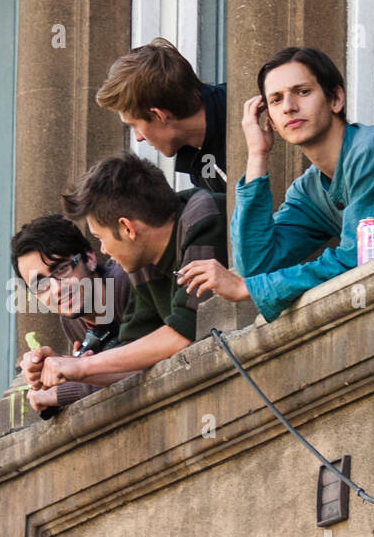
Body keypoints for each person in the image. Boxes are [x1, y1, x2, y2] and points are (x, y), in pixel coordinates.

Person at [177, 46, 374, 322]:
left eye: (302, 92)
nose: (289, 107)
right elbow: (257, 264)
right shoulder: (309, 190)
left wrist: (246, 288)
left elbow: (359, 259)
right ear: (272, 123)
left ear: (336, 99)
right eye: (275, 100)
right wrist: (256, 155)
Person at [32, 152, 227, 391]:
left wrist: (83, 367)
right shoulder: (142, 262)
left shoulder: (203, 219)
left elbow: (188, 330)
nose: (103, 249)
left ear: (127, 228)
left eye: (99, 237)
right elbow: (134, 358)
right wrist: (67, 370)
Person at [11, 214, 157, 414]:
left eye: (61, 269)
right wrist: (50, 372)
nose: (56, 289)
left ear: (89, 258)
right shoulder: (73, 322)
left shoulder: (129, 281)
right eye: (41, 285)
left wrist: (61, 389)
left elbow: (150, 360)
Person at [96, 38, 228, 192]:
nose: (138, 137)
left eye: (135, 125)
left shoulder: (251, 114)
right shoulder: (197, 156)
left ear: (159, 115)